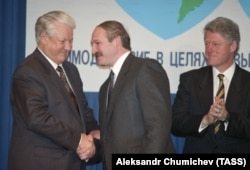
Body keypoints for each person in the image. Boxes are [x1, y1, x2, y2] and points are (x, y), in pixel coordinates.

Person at [8, 11, 100, 170]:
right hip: (40, 163)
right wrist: (78, 140)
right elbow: (37, 118)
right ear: (44, 37)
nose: (69, 47)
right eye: (63, 41)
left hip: (72, 162)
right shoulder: (28, 71)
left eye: (71, 41)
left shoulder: (70, 70)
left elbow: (81, 110)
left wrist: (94, 133)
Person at [90, 20, 175, 170]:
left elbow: (158, 127)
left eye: (97, 43)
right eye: (92, 45)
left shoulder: (145, 68)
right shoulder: (105, 88)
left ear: (116, 41)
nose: (93, 50)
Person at [171, 17, 250, 153]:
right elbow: (176, 124)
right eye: (207, 43)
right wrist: (205, 120)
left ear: (233, 46)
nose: (209, 49)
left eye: (216, 44)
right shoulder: (189, 79)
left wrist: (227, 118)